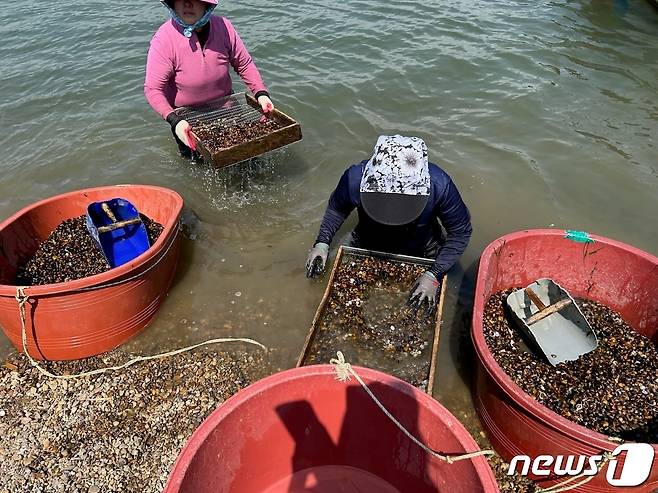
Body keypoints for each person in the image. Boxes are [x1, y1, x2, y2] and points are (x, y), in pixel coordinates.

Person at [305, 135, 473, 316]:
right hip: (367, 241)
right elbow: (337, 210)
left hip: (423, 246)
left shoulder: (439, 185)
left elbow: (460, 232)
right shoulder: (355, 178)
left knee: (457, 295)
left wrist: (434, 274)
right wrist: (322, 243)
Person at [144, 0, 274, 158]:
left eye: (194, 0)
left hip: (228, 109)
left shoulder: (224, 27)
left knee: (248, 159)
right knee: (198, 168)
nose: (187, 4)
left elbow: (244, 64)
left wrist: (261, 94)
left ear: (207, 5)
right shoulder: (164, 39)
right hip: (187, 121)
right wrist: (174, 121)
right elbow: (153, 89)